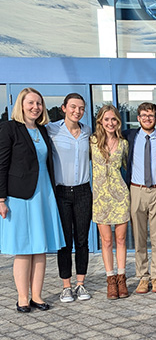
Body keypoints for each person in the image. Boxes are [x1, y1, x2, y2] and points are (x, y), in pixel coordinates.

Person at [0, 87, 65, 312]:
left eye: (39, 103)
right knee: (24, 248)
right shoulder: (9, 128)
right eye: (31, 103)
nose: (35, 107)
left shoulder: (43, 131)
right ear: (21, 104)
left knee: (40, 247)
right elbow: (2, 165)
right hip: (20, 196)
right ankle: (22, 298)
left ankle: (37, 296)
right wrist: (0, 199)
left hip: (44, 193)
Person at [47, 93, 93, 303]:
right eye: (73, 107)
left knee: (82, 240)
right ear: (64, 108)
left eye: (81, 108)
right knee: (64, 241)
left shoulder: (87, 132)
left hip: (83, 191)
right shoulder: (51, 130)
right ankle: (66, 286)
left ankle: (81, 283)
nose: (77, 111)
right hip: (61, 193)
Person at [124, 102, 156, 294]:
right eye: (143, 115)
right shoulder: (129, 136)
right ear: (138, 118)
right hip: (137, 190)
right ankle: (143, 276)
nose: (147, 119)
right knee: (139, 236)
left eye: (151, 115)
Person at [91, 105, 130, 300]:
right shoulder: (92, 142)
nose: (110, 123)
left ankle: (122, 278)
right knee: (106, 241)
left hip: (120, 197)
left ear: (118, 121)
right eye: (106, 119)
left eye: (113, 119)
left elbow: (128, 168)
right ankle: (110, 280)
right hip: (100, 198)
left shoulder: (123, 144)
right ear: (100, 121)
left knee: (121, 239)